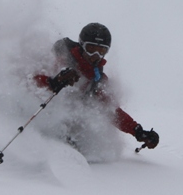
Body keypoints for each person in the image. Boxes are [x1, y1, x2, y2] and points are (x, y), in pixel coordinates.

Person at [33, 23, 159, 153]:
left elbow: (110, 110)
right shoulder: (62, 58)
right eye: (91, 48)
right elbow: (30, 80)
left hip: (64, 127)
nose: (96, 55)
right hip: (39, 117)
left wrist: (137, 131)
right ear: (82, 45)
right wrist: (53, 82)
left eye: (102, 51)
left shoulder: (97, 79)